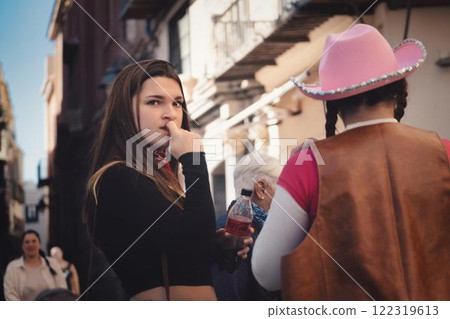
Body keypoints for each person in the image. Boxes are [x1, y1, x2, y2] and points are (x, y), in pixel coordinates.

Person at [252, 24, 450, 300]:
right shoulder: (444, 152)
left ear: (332, 103)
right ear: (398, 87)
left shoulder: (308, 163)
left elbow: (267, 273)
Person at [84, 59, 252, 301]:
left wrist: (221, 247)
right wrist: (194, 160)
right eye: (154, 102)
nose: (171, 114)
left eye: (177, 103)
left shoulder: (159, 180)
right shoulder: (117, 177)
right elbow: (194, 247)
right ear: (123, 113)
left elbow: (184, 252)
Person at [212, 153, 282, 300]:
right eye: (283, 186)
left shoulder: (263, 225)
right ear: (261, 189)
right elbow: (229, 295)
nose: (286, 194)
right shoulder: (233, 229)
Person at [3, 230, 67, 301]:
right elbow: (10, 294)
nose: (30, 244)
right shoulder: (12, 268)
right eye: (27, 242)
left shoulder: (52, 263)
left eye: (34, 241)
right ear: (22, 246)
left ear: (39, 244)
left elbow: (62, 288)